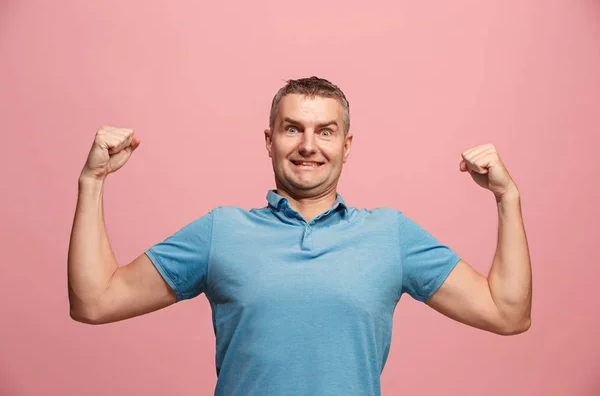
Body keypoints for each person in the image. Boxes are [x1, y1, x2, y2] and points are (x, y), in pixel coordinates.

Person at [68, 77, 532, 396]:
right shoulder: (221, 231)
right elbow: (95, 301)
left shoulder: (390, 234)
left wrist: (506, 197)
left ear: (346, 146)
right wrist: (92, 183)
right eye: (293, 129)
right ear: (269, 140)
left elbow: (507, 313)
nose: (308, 145)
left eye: (325, 131)